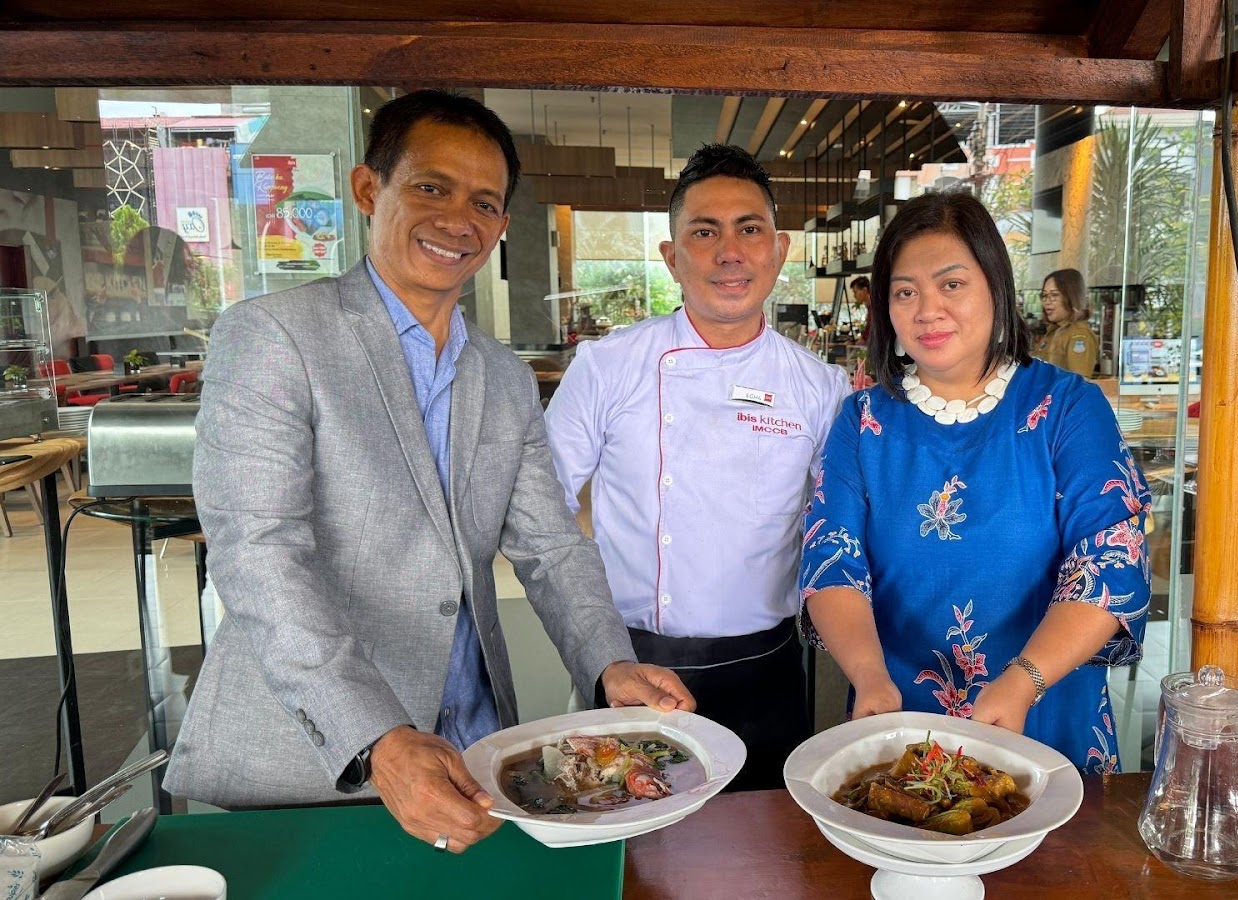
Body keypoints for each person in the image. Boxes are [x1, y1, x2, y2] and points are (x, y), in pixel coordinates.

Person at [166, 90, 693, 852]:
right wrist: (377, 736)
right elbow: (259, 554)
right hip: (316, 766)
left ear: (502, 227)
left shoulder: (504, 376)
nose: (458, 220)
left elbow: (550, 545)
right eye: (431, 187)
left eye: (484, 202)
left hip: (472, 746)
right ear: (368, 190)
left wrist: (611, 661)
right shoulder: (275, 336)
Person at [799, 191, 1151, 774]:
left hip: (1042, 710)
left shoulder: (1067, 410)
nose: (926, 310)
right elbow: (830, 560)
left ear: (995, 287)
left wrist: (1022, 682)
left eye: (951, 284)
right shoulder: (862, 422)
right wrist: (867, 676)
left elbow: (1112, 562)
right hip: (895, 719)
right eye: (905, 291)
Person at [545, 144, 849, 791]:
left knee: (763, 868)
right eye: (704, 232)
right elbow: (541, 514)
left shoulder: (820, 388)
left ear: (780, 249)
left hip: (765, 668)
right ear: (671, 256)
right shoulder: (608, 366)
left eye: (749, 229)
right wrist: (598, 655)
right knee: (632, 866)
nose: (729, 251)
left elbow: (843, 534)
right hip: (629, 666)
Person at [1037, 268, 1097, 377]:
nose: (1047, 302)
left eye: (1054, 295)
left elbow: (1078, 383)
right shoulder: (1052, 331)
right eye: (1044, 296)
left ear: (1070, 297)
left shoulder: (1079, 335)